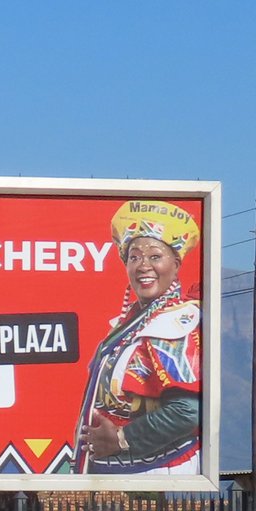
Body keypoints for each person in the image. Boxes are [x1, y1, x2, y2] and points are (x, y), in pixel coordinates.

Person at [75, 199, 204, 475]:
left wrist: (122, 439)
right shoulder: (132, 322)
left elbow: (188, 411)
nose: (143, 265)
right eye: (134, 257)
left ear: (176, 264)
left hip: (155, 473)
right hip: (116, 472)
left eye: (155, 257)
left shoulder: (175, 323)